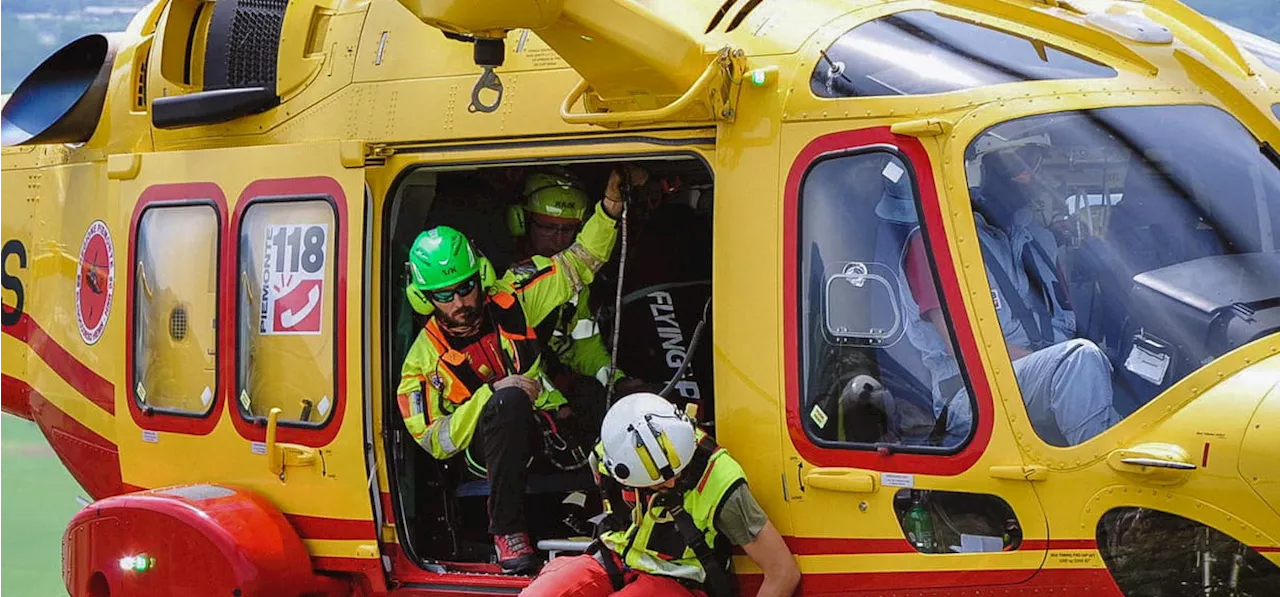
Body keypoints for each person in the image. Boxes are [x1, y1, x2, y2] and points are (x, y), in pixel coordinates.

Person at [396, 168, 636, 575]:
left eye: (466, 286)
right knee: (507, 401)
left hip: (547, 430)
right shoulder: (420, 364)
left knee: (607, 400)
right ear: (424, 298)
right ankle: (508, 533)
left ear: (481, 277)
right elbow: (434, 439)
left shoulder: (514, 296)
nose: (460, 302)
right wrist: (490, 395)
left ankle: (628, 516)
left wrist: (611, 207)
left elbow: (580, 262)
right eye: (444, 295)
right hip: (483, 454)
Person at [898, 140, 1120, 446]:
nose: (1027, 173)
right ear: (981, 166)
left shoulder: (1037, 240)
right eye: (1016, 162)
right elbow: (962, 347)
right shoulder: (935, 243)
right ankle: (1106, 481)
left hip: (1039, 375)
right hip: (971, 394)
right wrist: (1057, 364)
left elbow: (1064, 324)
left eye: (1035, 161)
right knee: (1079, 363)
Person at [520, 393, 800, 597]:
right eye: (657, 481)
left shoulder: (721, 480)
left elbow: (783, 572)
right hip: (615, 559)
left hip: (679, 580)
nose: (672, 482)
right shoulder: (608, 456)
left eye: (676, 473)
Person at [505, 168, 646, 402]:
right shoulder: (512, 280)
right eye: (548, 227)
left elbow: (585, 347)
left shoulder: (575, 285)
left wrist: (616, 381)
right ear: (521, 220)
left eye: (568, 229)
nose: (559, 239)